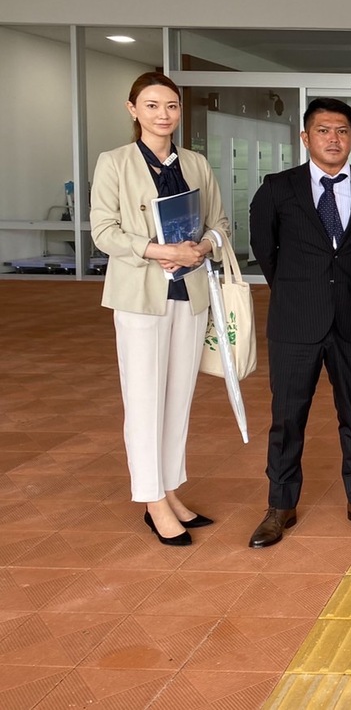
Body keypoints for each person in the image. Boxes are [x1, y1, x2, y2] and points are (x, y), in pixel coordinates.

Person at [91, 72, 231, 546]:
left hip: (188, 294)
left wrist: (202, 247)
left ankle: (170, 489)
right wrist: (158, 251)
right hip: (140, 297)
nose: (163, 114)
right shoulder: (114, 163)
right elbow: (103, 231)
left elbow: (220, 223)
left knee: (177, 398)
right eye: (151, 105)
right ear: (133, 110)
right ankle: (151, 499)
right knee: (144, 398)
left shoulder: (195, 163)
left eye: (171, 105)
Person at [247, 98, 351, 548]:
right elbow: (265, 251)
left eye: (342, 131)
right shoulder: (277, 188)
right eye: (323, 130)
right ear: (305, 138)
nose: (333, 139)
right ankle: (279, 505)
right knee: (287, 416)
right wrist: (298, 290)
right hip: (295, 322)